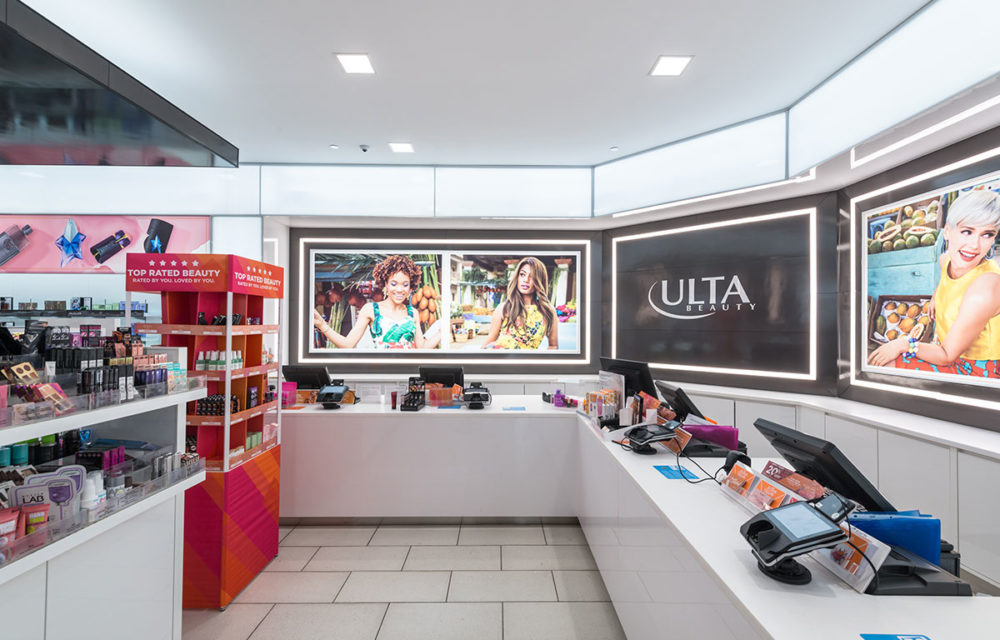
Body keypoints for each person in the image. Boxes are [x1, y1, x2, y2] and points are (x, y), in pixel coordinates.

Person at [868, 189, 1000, 376]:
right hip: (946, 346)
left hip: (974, 367)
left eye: (987, 234)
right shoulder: (946, 260)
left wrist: (903, 343)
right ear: (947, 231)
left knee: (888, 363)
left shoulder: (986, 287)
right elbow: (949, 280)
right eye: (967, 231)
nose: (975, 245)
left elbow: (947, 355)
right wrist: (937, 293)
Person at [312, 254, 440, 349]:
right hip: (380, 372)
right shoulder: (371, 309)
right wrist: (322, 325)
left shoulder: (413, 313)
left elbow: (422, 348)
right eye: (394, 284)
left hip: (408, 374)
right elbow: (348, 344)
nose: (400, 289)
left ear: (411, 286)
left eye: (405, 284)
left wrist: (442, 331)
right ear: (386, 285)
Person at [483, 256, 558, 349]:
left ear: (539, 281)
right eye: (522, 274)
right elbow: (489, 342)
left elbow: (553, 346)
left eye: (532, 276)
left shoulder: (548, 311)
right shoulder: (504, 308)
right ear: (517, 277)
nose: (526, 280)